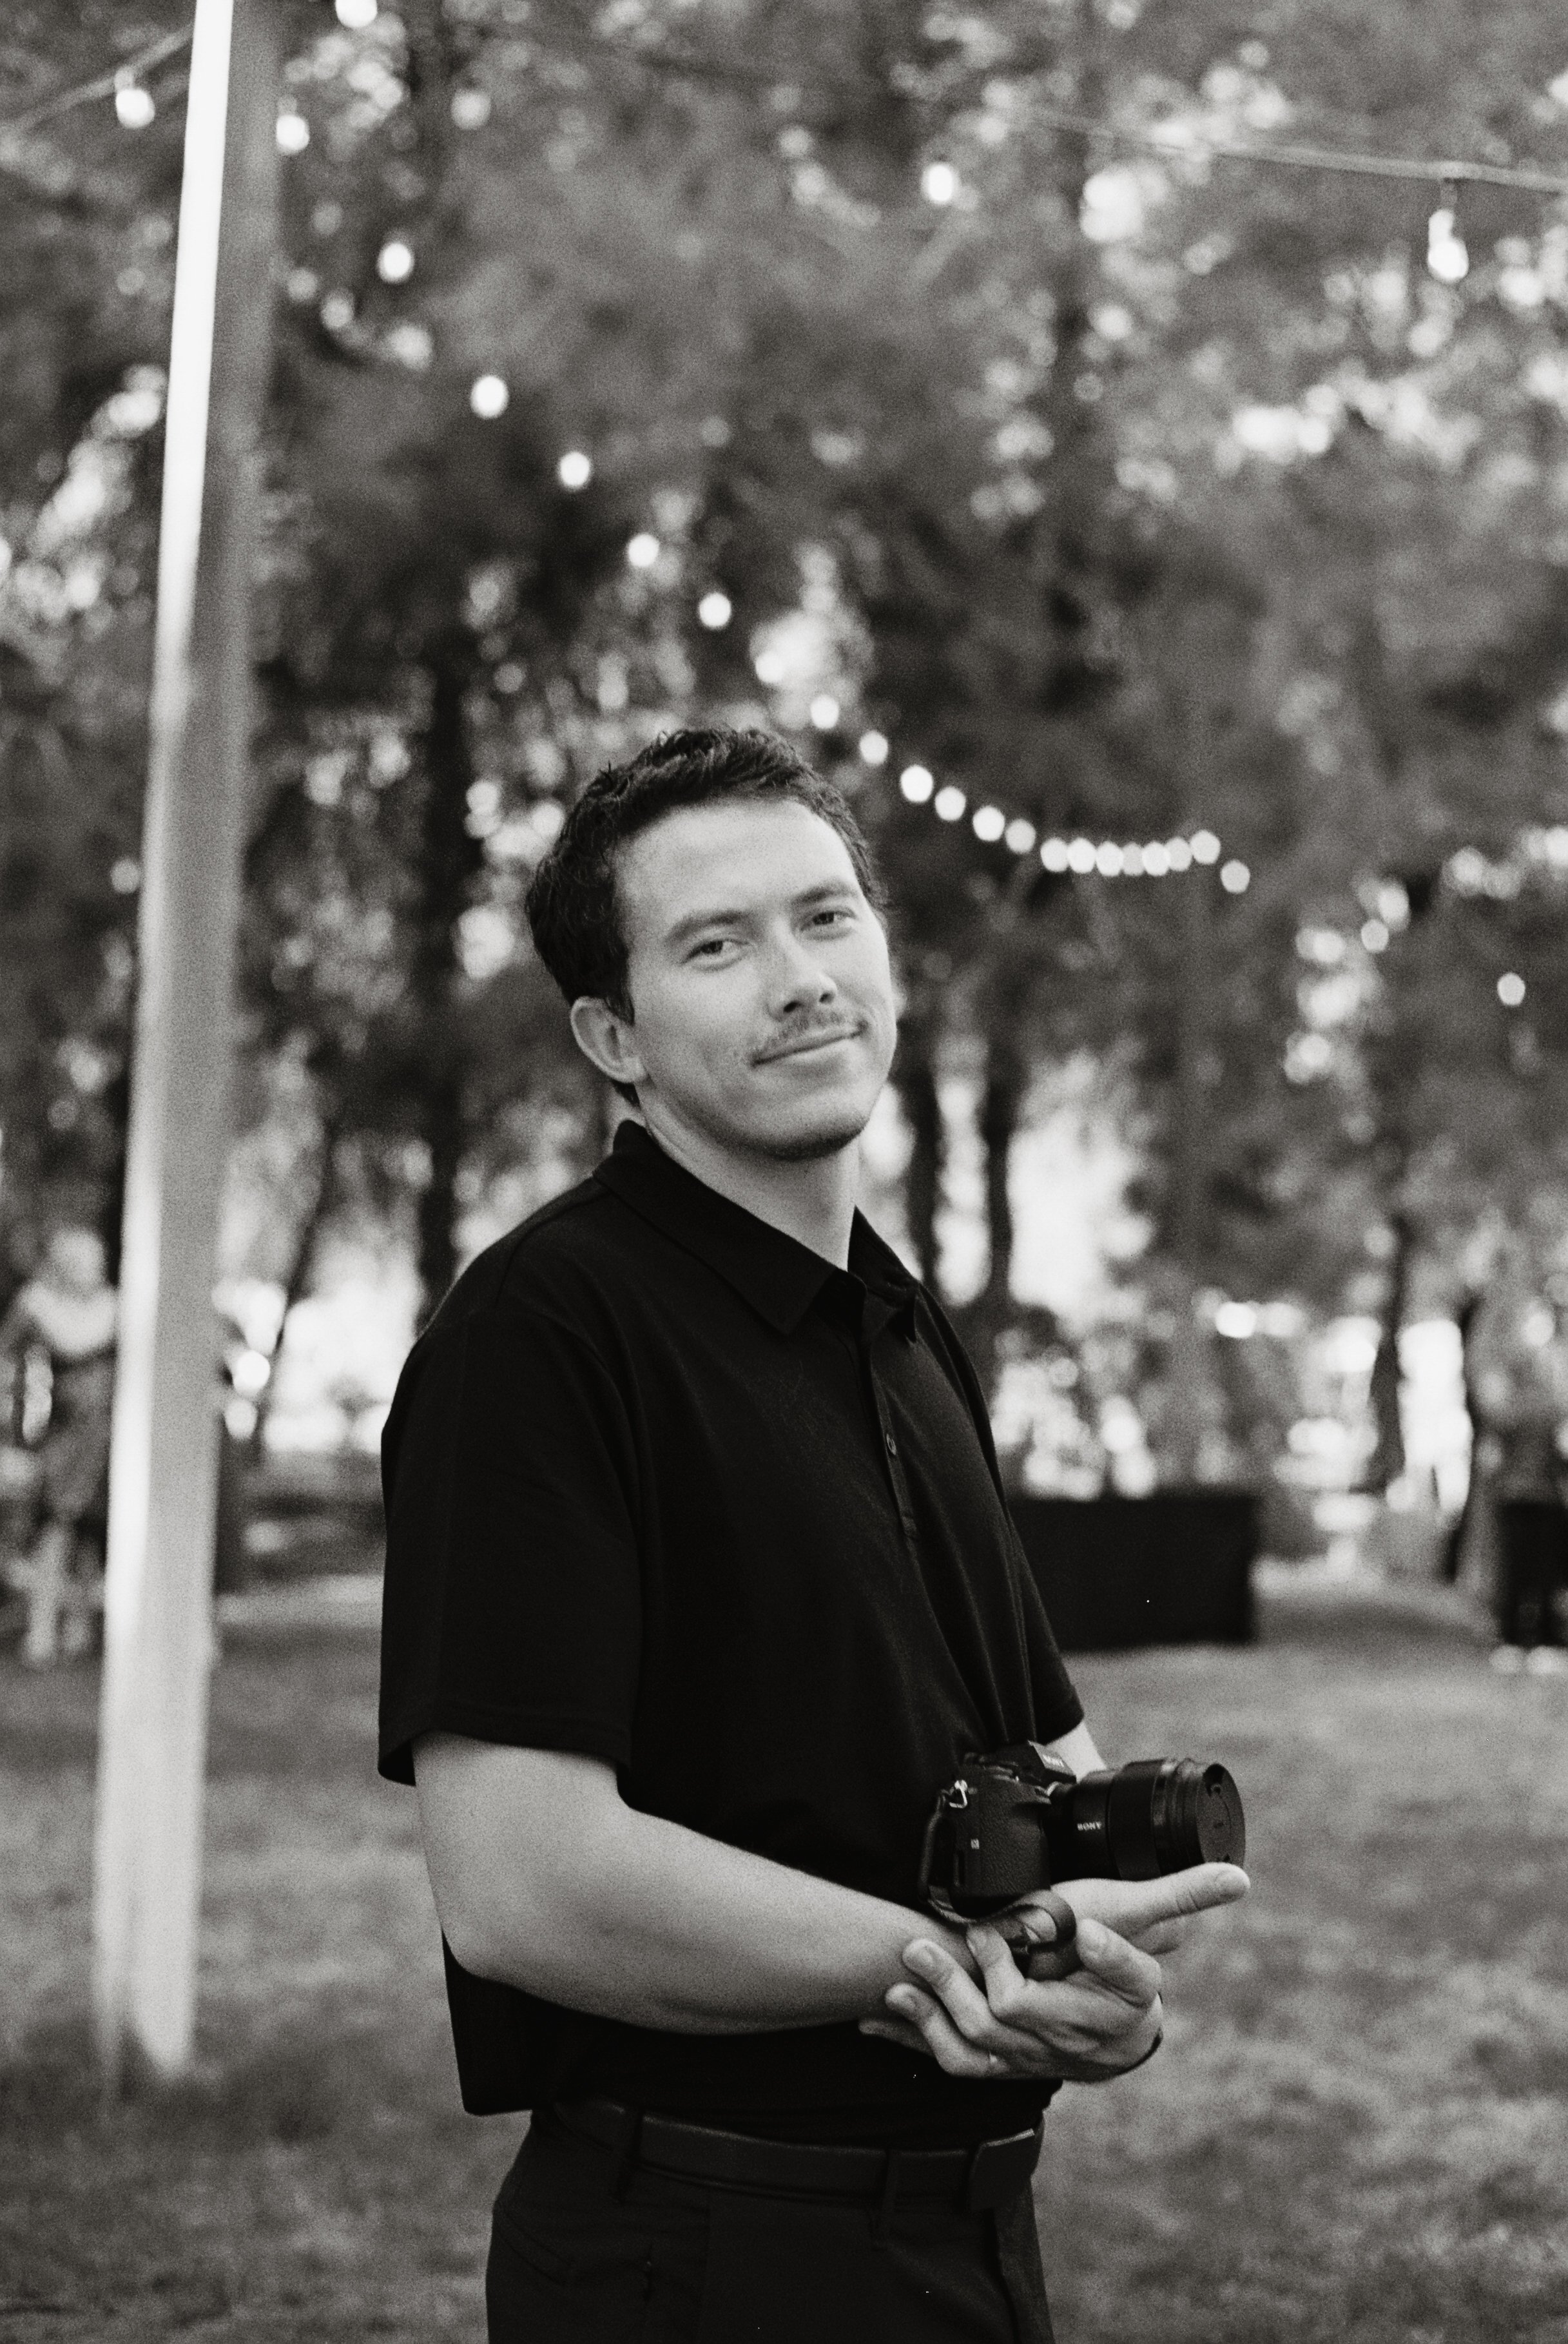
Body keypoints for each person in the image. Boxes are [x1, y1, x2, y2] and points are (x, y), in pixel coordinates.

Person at [378, 728, 1248, 2343]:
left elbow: (1041, 1762)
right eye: (716, 945)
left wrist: (1096, 1986)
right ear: (614, 1036)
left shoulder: (899, 1324)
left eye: (826, 916)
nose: (800, 980)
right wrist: (951, 1961)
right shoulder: (541, 1334)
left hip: (974, 2246)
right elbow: (519, 1883)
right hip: (699, 2257)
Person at [0, 1225, 117, 1667]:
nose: (94, 1271)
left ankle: (79, 1626)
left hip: (104, 1435)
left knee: (91, 1532)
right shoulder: (37, 1306)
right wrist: (14, 1436)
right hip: (60, 1434)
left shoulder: (114, 1307)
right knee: (54, 1527)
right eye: (85, 1263)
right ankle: (43, 1625)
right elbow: (10, 1365)